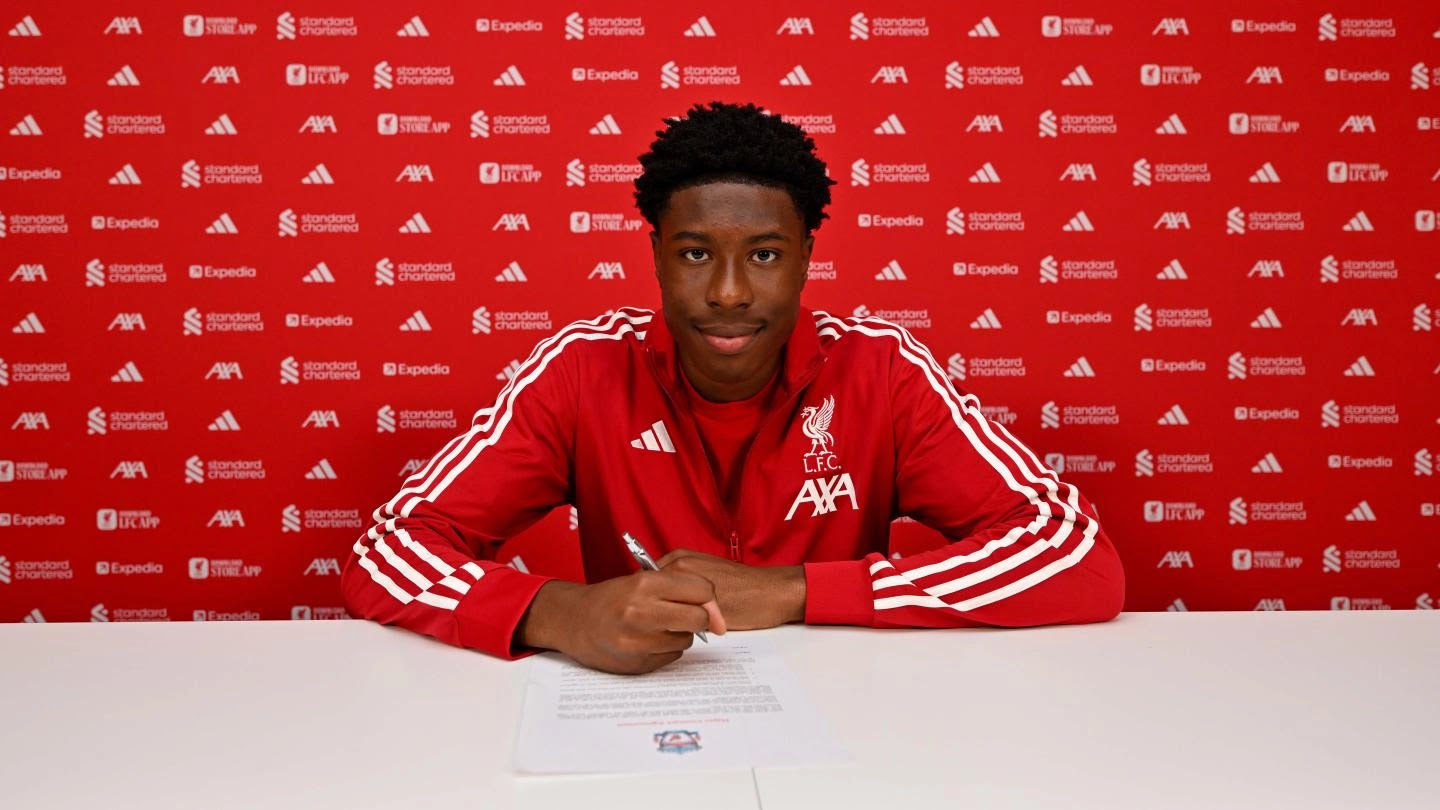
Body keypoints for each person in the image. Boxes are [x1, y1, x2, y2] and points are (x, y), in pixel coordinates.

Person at [342, 101, 1126, 674]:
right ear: (655, 255)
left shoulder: (880, 371)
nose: (726, 293)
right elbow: (389, 551)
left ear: (806, 255)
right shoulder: (584, 369)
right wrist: (559, 612)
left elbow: (1074, 555)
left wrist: (792, 592)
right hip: (641, 712)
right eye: (694, 254)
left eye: (763, 255)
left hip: (848, 722)